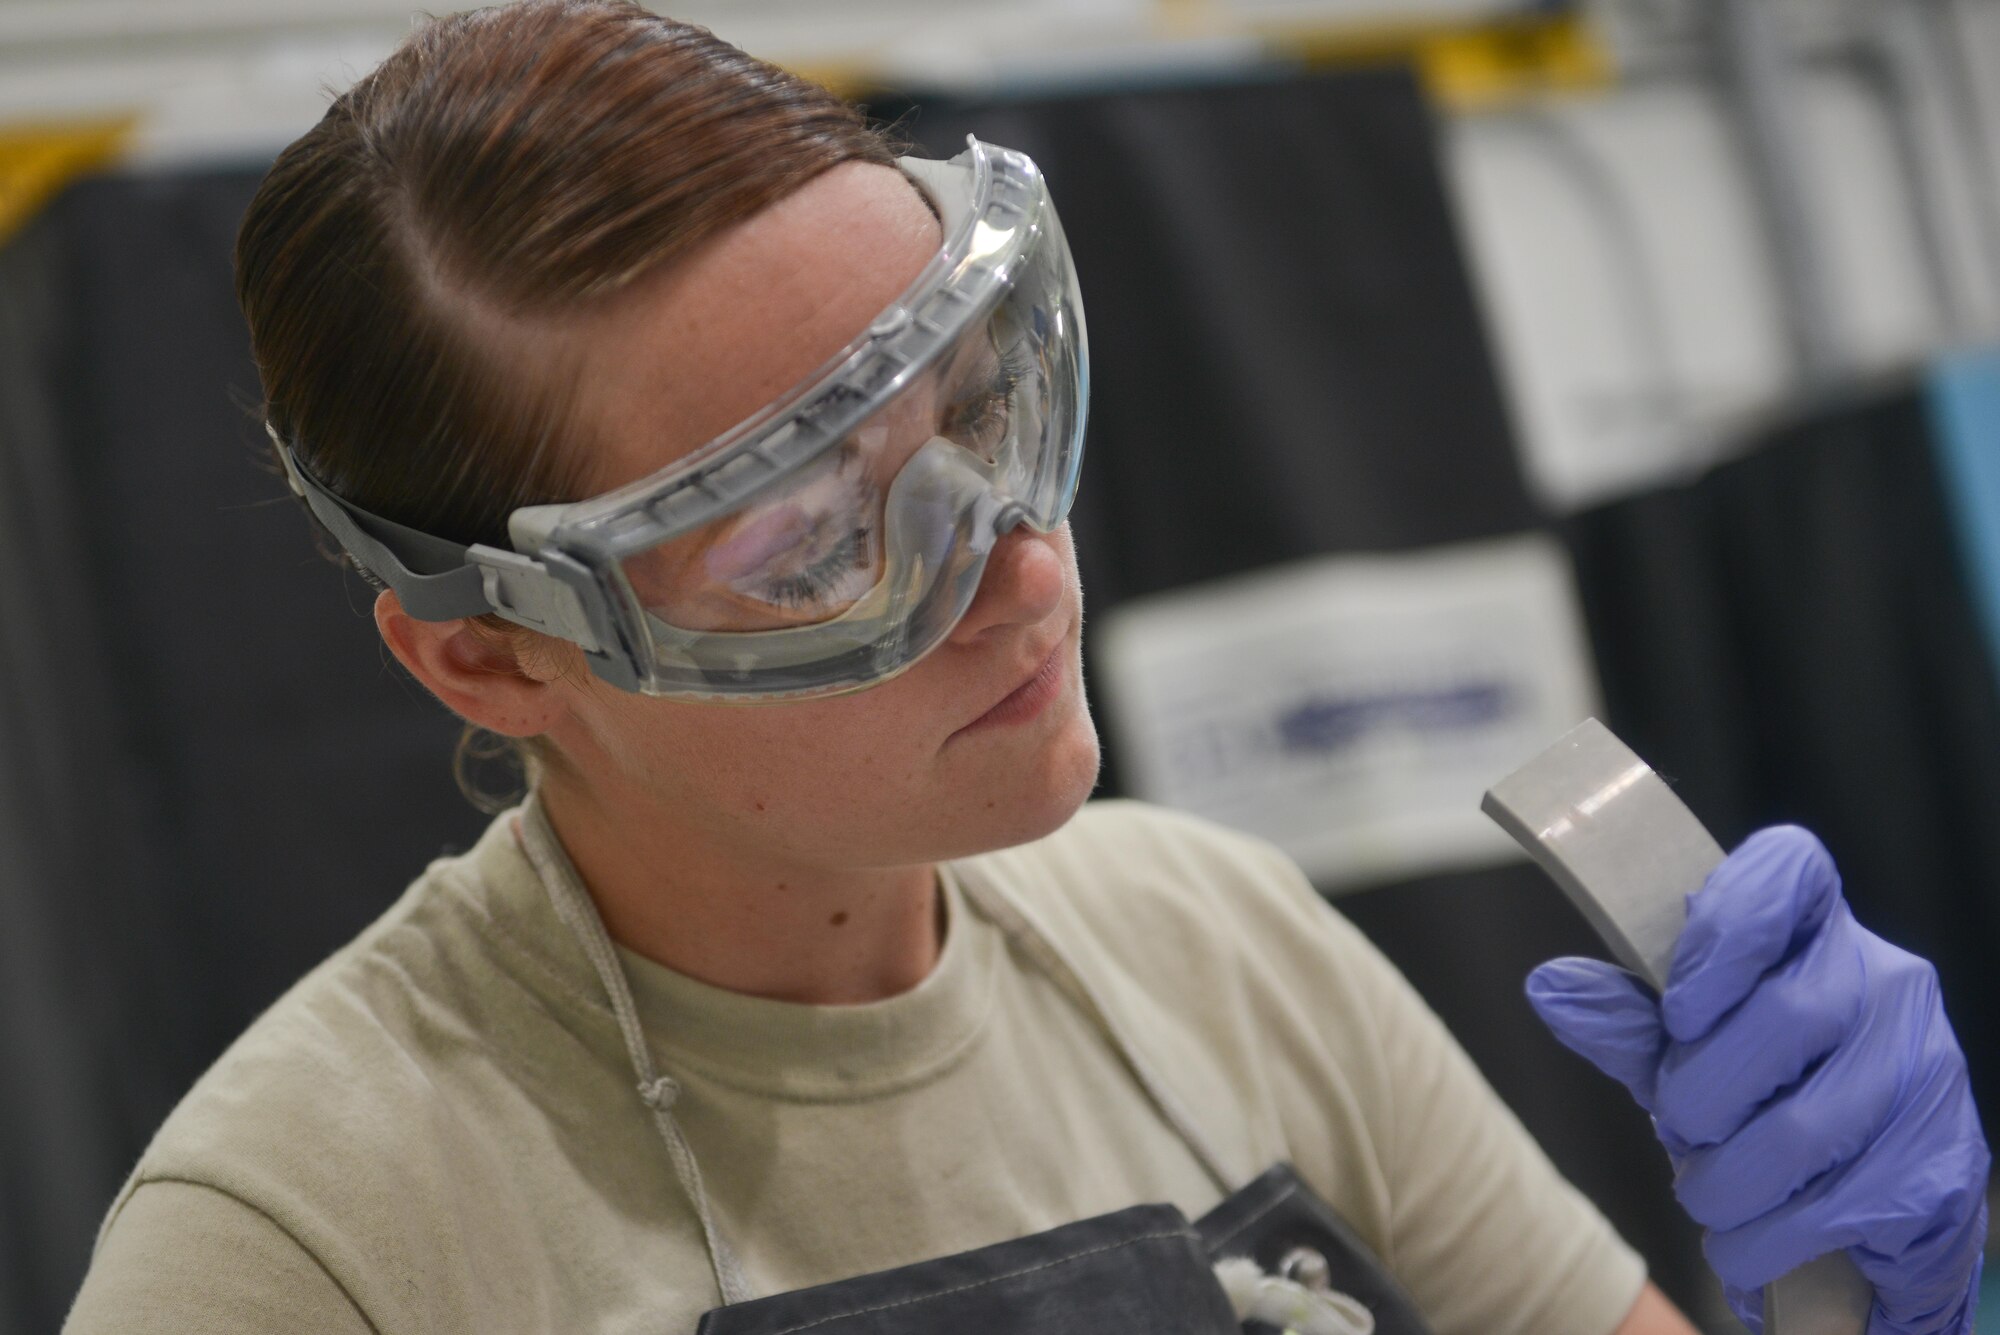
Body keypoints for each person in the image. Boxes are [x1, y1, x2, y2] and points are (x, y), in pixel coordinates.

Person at [64, 2, 1987, 1332]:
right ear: (493, 660)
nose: (1014, 560)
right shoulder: (306, 1239)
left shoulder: (1208, 941)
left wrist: (1855, 1305)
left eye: (981, 411)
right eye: (808, 538)